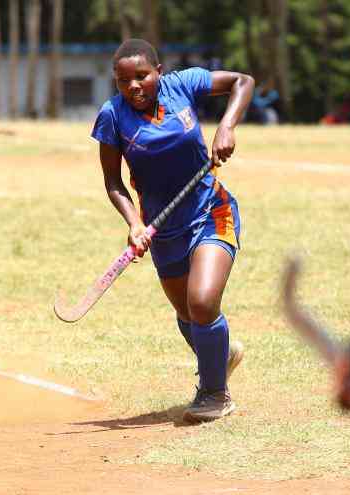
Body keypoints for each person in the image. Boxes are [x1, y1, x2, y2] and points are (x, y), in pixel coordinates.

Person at [91, 39, 254, 423]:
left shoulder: (182, 85)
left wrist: (226, 127)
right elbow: (113, 182)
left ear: (158, 72)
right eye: (123, 80)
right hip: (162, 230)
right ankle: (220, 356)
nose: (133, 86)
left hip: (210, 212)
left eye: (142, 76)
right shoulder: (112, 116)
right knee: (188, 315)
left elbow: (243, 81)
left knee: (201, 303)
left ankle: (214, 394)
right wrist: (134, 224)